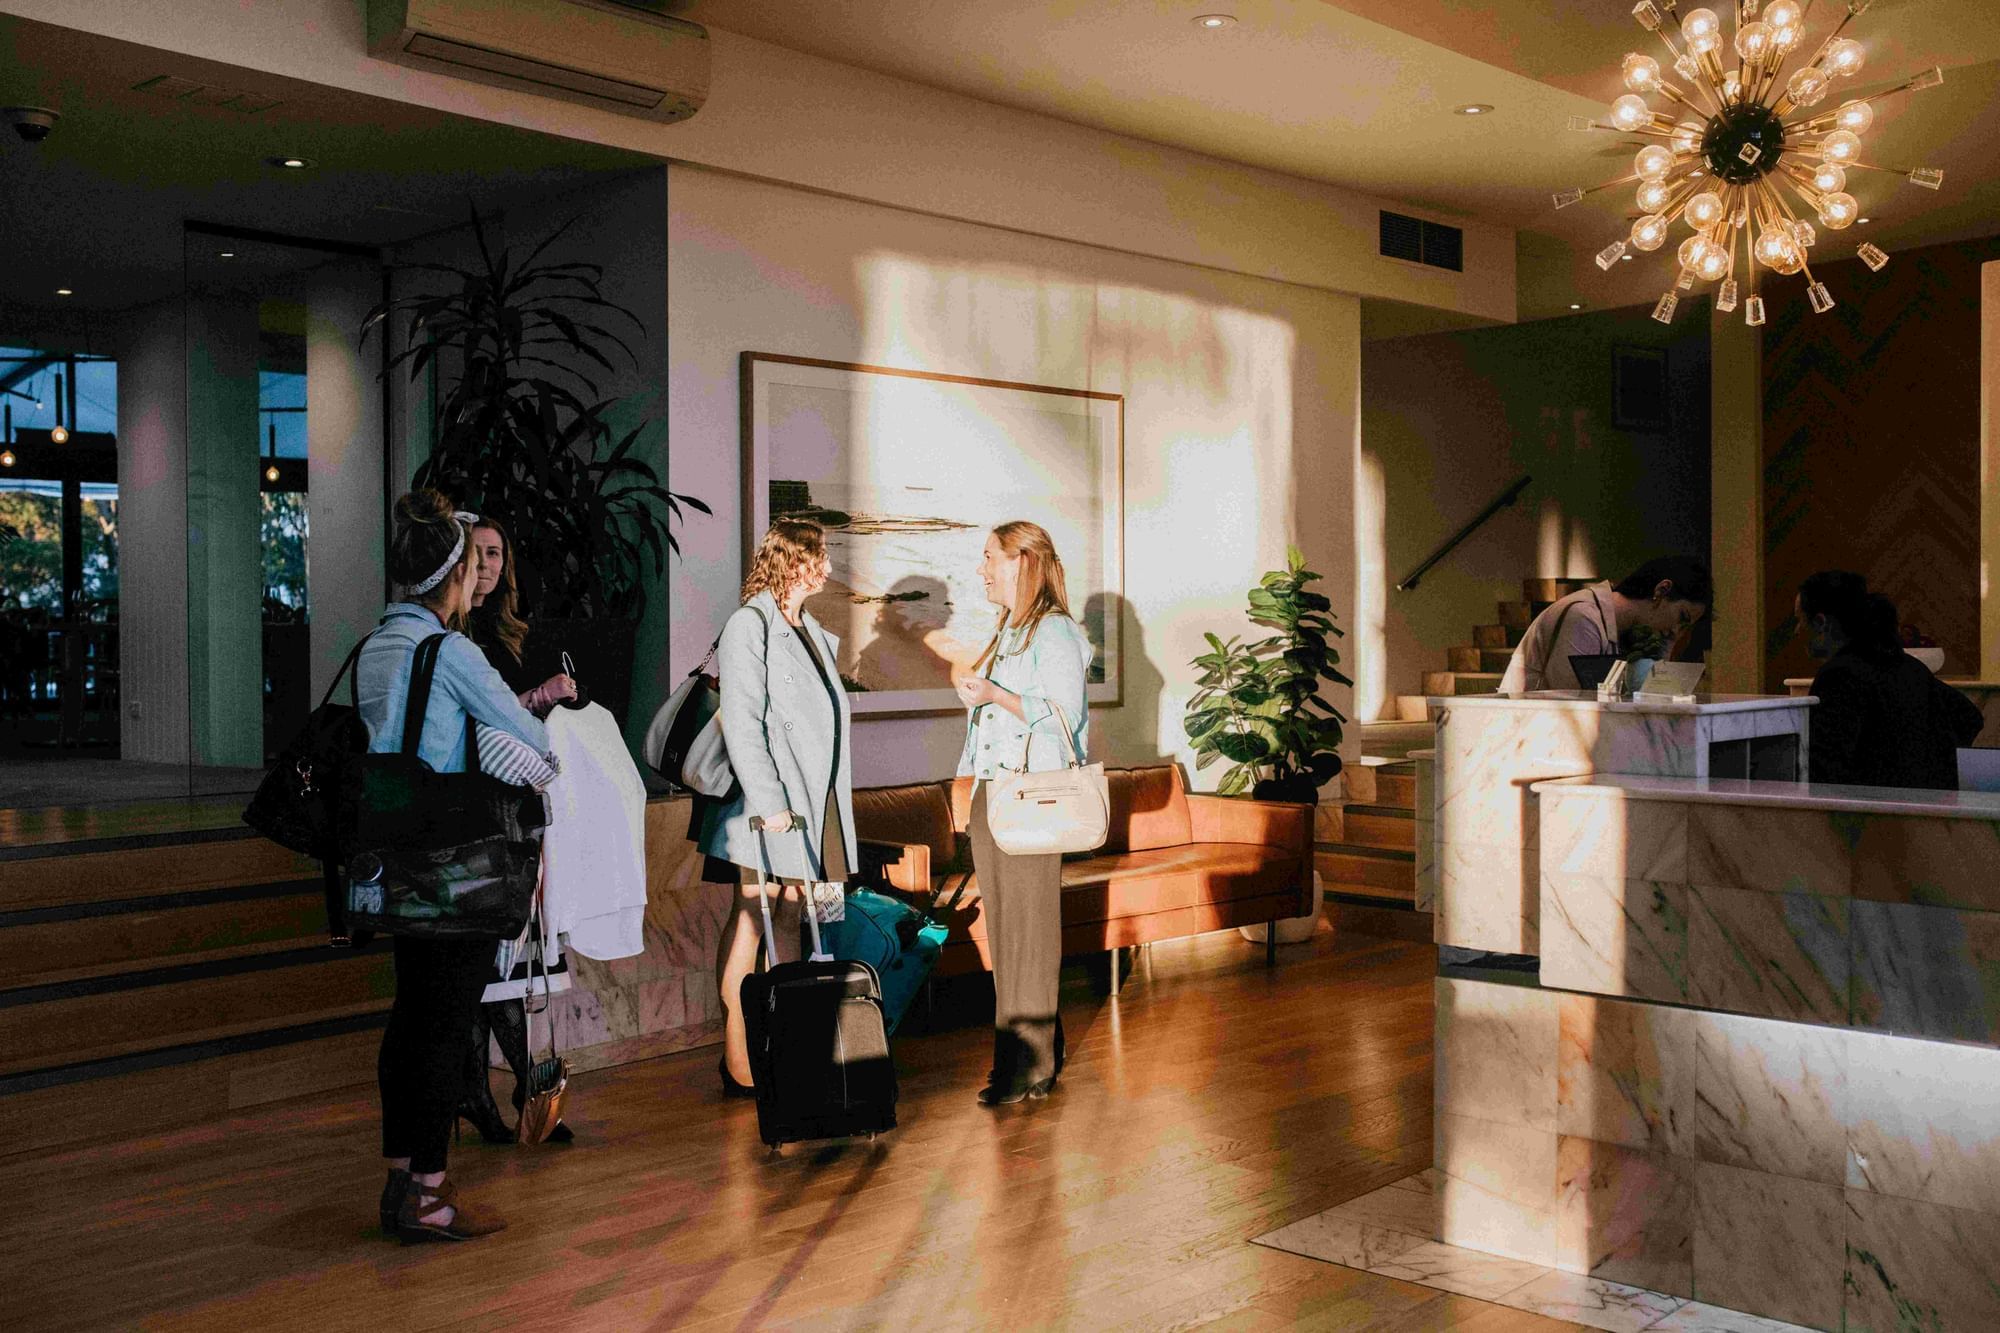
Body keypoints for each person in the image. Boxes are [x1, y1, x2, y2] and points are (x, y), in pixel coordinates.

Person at [358, 490, 552, 1244]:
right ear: (454, 575)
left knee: (410, 1020)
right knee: (444, 1029)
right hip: (454, 864)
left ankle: (399, 1180)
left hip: (393, 860)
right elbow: (529, 734)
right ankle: (431, 1196)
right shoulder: (453, 652)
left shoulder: (376, 644)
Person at [699, 518, 857, 1097]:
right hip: (765, 804)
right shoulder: (751, 623)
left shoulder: (808, 628)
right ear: (793, 562)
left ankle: (786, 1050)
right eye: (820, 556)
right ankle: (739, 1061)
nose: (829, 567)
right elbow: (742, 721)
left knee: (792, 911)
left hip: (810, 800)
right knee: (752, 913)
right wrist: (770, 804)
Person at [953, 521, 1093, 1107]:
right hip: (996, 793)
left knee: (1030, 932)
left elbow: (1064, 715)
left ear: (1021, 562)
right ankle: (1019, 1056)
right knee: (1007, 933)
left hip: (1034, 797)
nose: (981, 568)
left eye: (989, 557)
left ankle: (1031, 1065)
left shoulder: (1054, 631)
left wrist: (993, 695)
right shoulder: (1008, 630)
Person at [457, 515, 579, 1146]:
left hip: (510, 799)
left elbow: (505, 717)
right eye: (477, 553)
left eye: (496, 554)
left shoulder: (502, 628)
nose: (488, 565)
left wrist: (542, 697)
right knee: (494, 954)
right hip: (478, 803)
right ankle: (520, 1086)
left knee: (497, 957)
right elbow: (490, 721)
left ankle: (482, 1092)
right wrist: (537, 699)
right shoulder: (452, 635)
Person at [1797, 571, 1982, 788]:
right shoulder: (1909, 666)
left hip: (1874, 806)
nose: (1797, 631)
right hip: (1926, 803)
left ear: (1820, 622)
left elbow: (1825, 769)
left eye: (1799, 620)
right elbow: (1969, 717)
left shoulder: (1838, 675)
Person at [1497, 556, 1713, 694]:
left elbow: (1657, 700)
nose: (1676, 631)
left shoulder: (1624, 629)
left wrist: (1664, 648)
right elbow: (1574, 704)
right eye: (1682, 617)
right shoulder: (1583, 617)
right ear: (1661, 590)